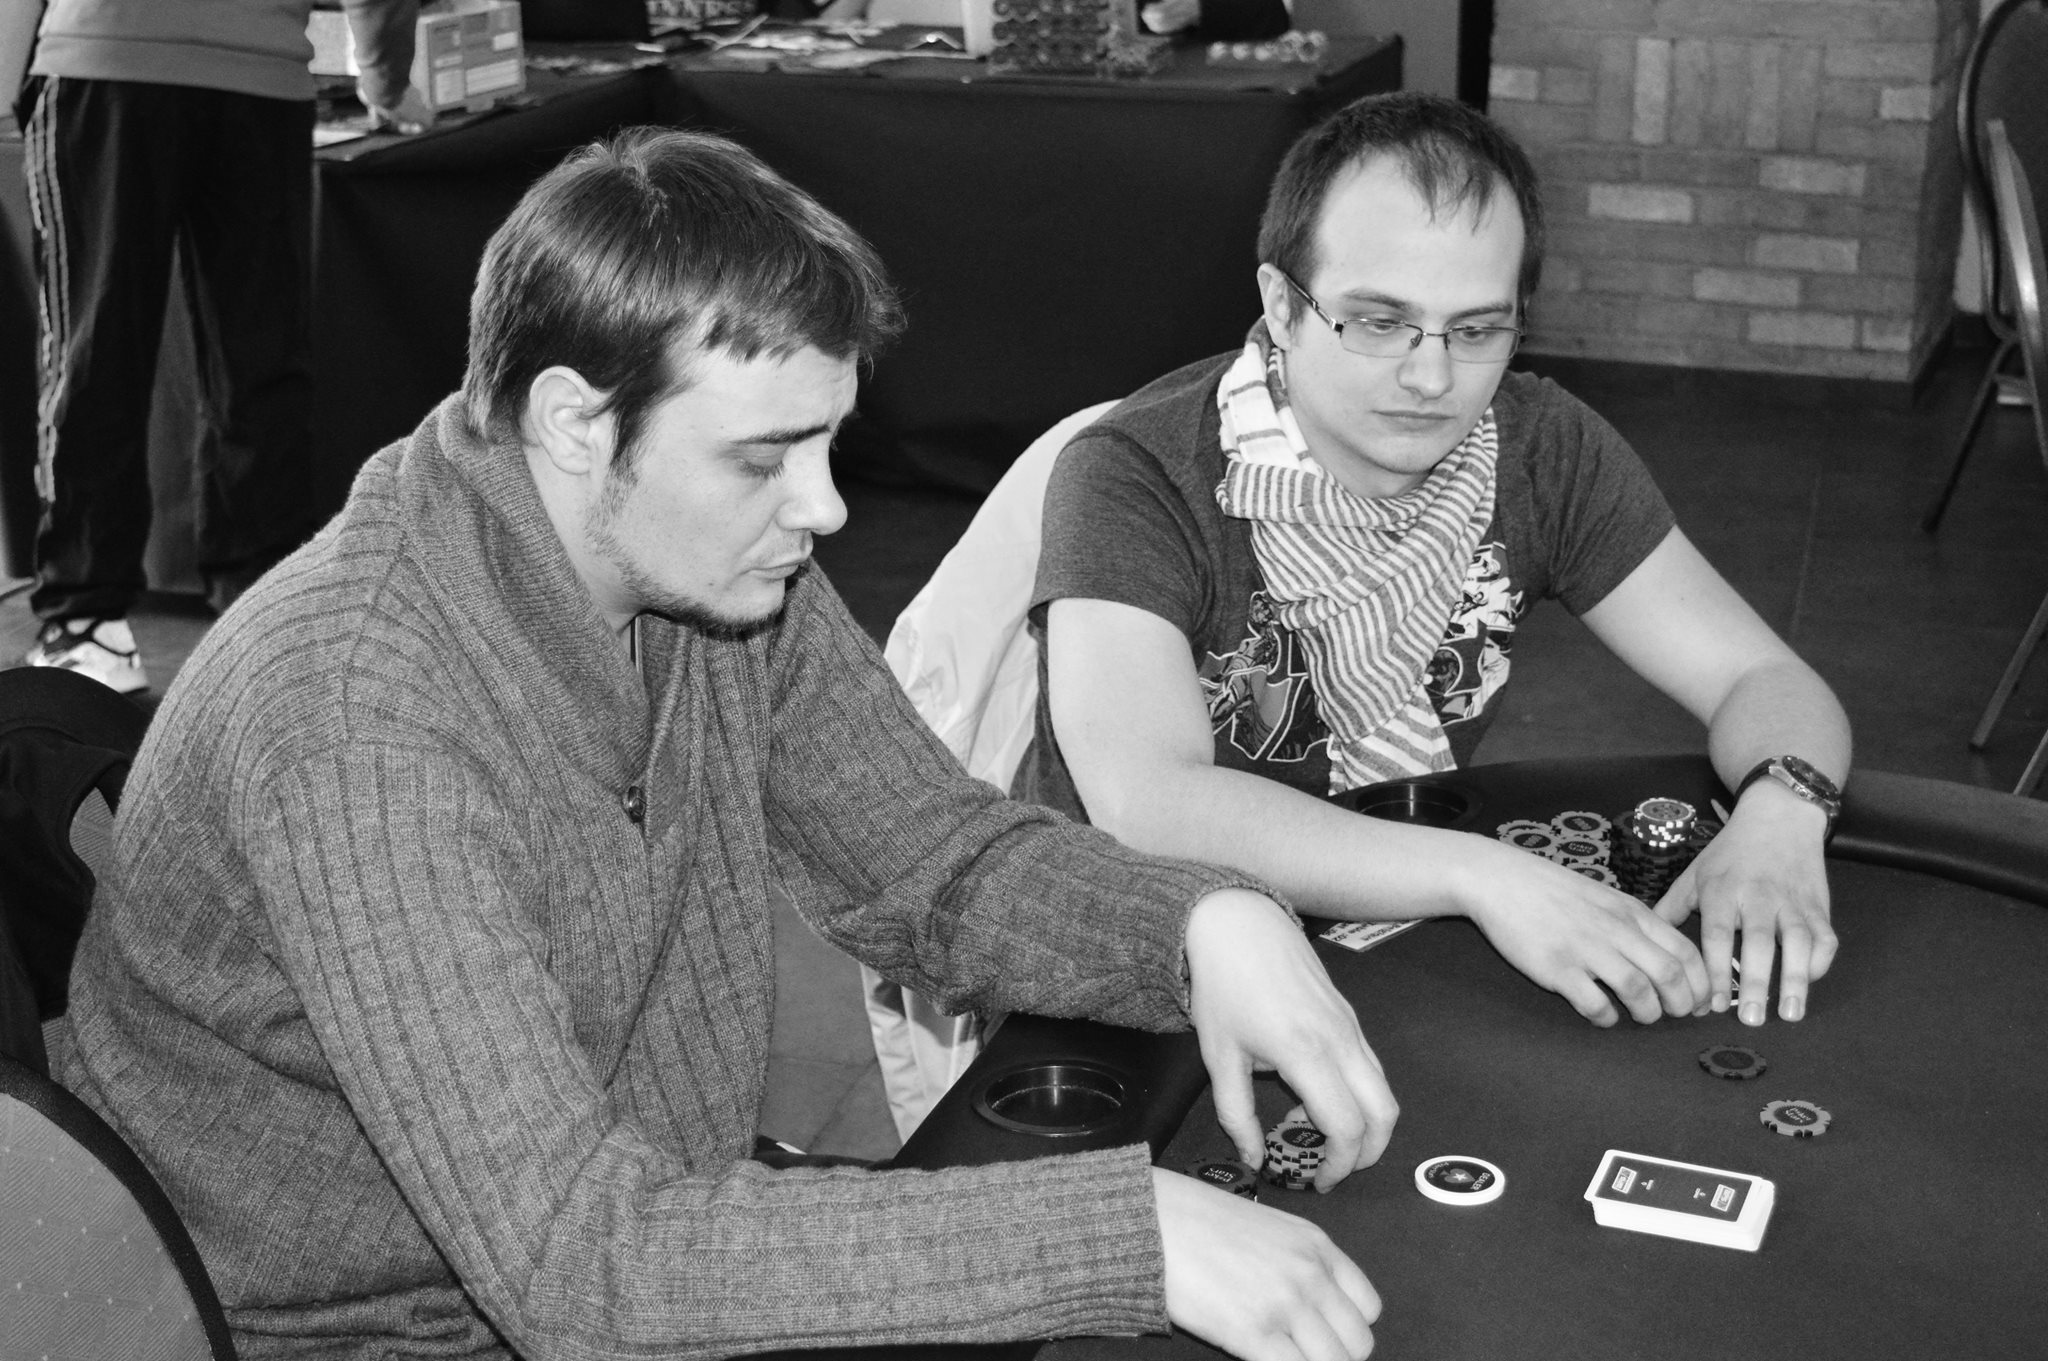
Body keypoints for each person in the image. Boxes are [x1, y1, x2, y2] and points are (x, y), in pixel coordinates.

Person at [50, 128, 1397, 1361]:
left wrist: (1198, 922)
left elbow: (933, 861)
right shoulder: (358, 720)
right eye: (762, 457)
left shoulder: (717, 571)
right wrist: (1122, 1237)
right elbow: (580, 1266)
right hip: (338, 1331)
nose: (823, 508)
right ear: (575, 421)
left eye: (828, 443)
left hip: (622, 1220)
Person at [1024, 92, 1852, 1034]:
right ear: (1282, 306)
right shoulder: (1133, 474)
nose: (1431, 378)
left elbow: (1760, 676)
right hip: (1134, 964)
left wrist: (1783, 811)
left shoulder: (1541, 450)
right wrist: (1484, 875)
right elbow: (1149, 803)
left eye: (1476, 330)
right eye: (1379, 322)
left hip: (1393, 929)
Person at [19, 0, 432, 693]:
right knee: (258, 361)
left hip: (111, 55)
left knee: (95, 348)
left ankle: (87, 620)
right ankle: (262, 615)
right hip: (256, 78)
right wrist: (385, 80)